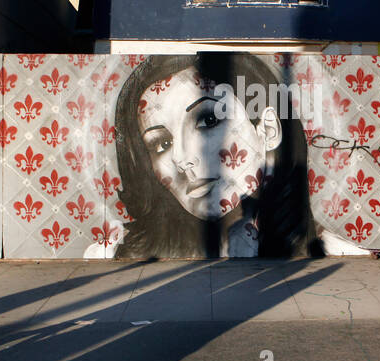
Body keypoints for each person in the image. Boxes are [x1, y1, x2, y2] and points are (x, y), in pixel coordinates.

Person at [109, 54, 363, 259]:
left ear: (268, 130)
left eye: (208, 120)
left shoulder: (341, 256)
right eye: (161, 144)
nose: (181, 158)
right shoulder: (115, 251)